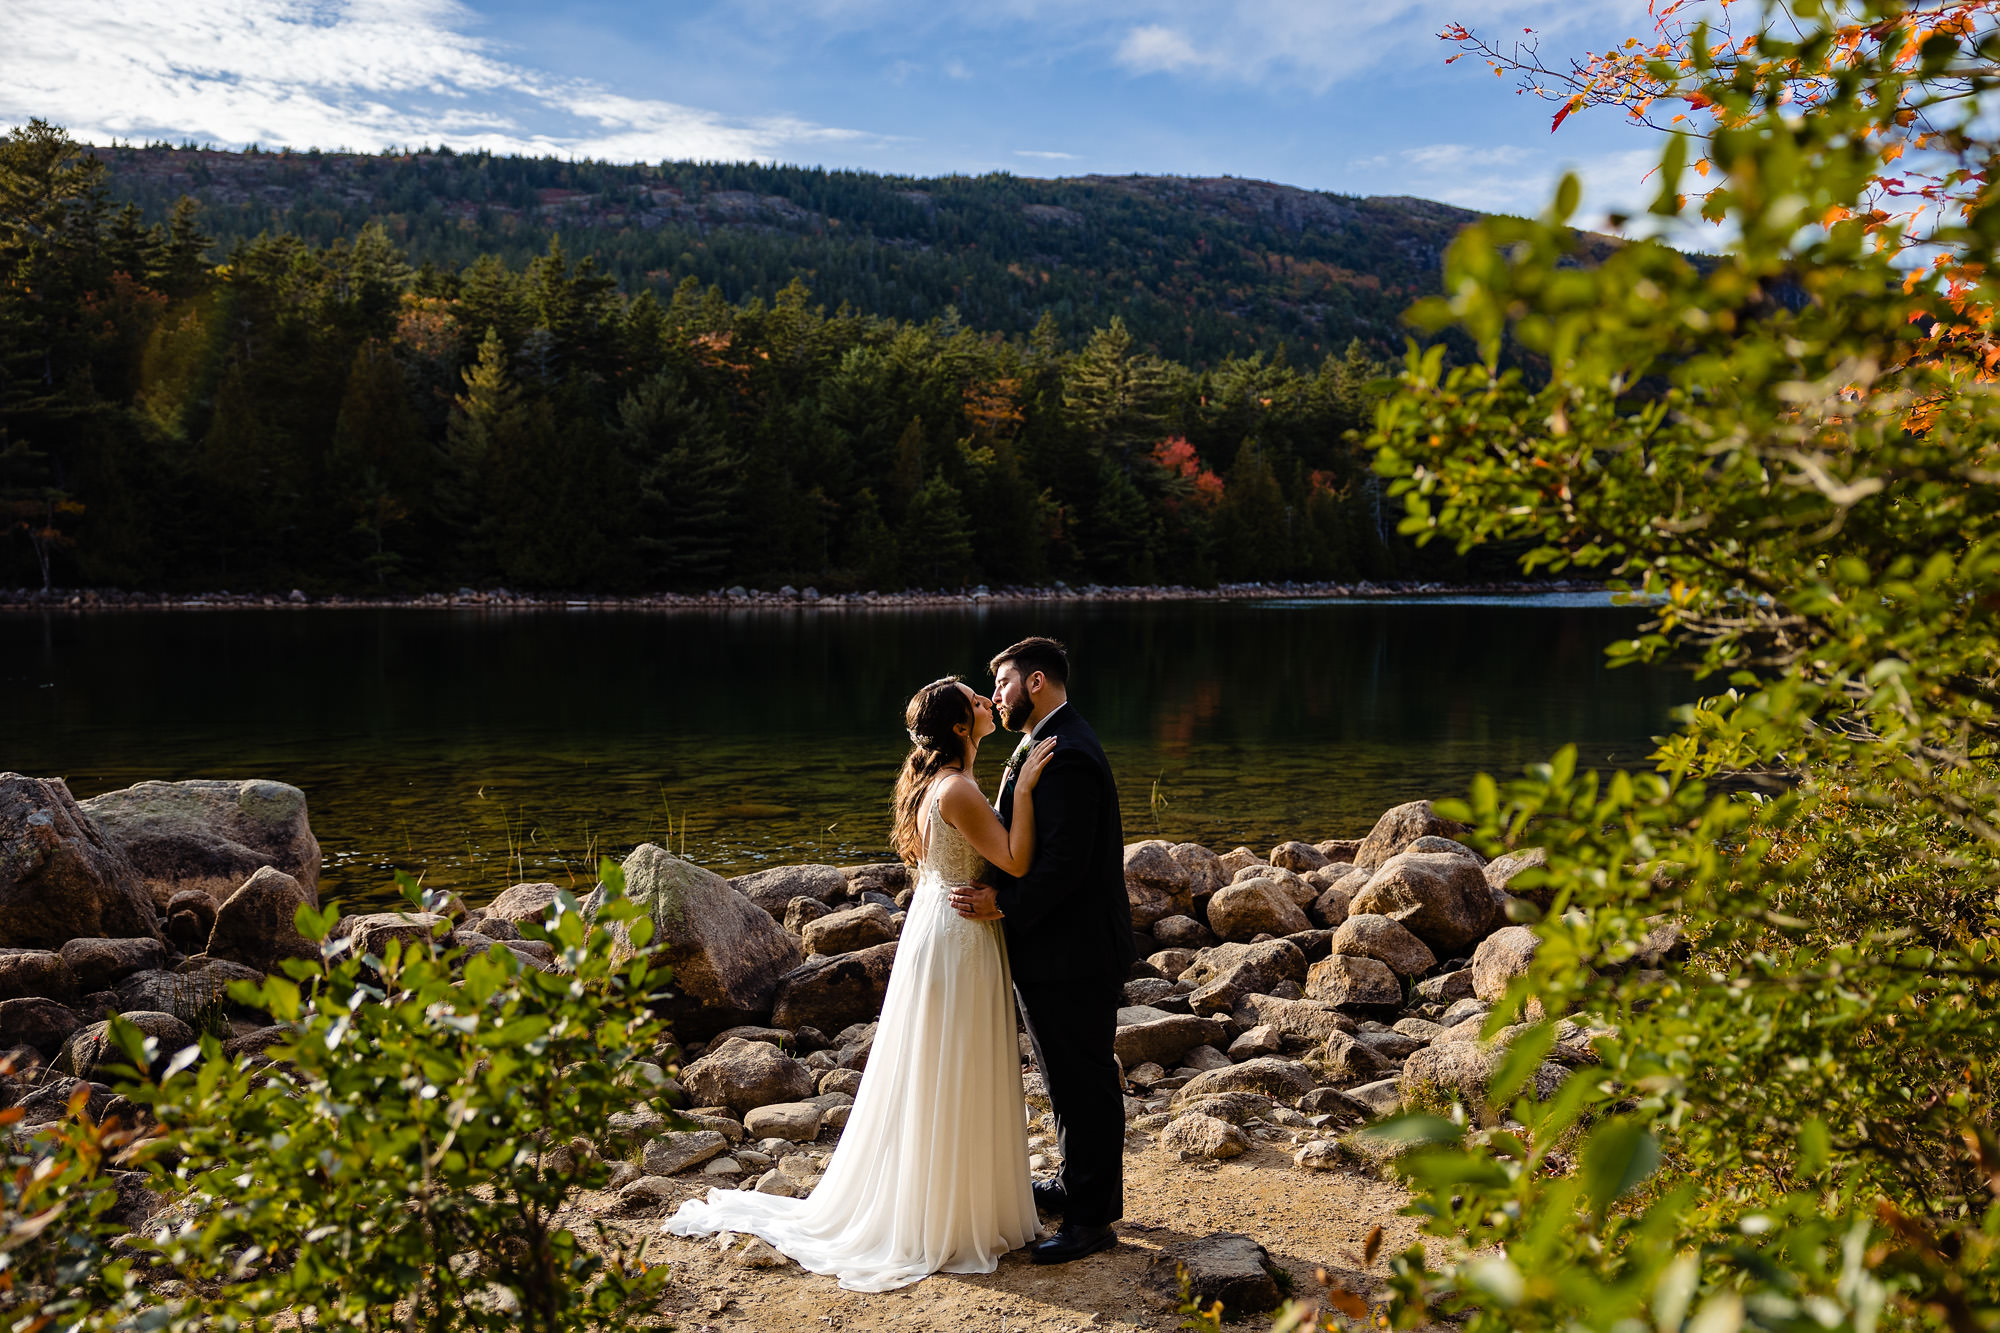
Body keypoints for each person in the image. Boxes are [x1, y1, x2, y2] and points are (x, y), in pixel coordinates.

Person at [662, 677, 1057, 1291]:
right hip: (957, 936)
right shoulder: (956, 788)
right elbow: (1014, 859)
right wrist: (1027, 787)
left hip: (944, 923)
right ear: (959, 727)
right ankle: (948, 1217)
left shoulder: (937, 784)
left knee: (945, 1062)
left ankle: (960, 1203)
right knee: (954, 1062)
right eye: (977, 701)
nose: (988, 703)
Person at [949, 636, 1134, 1265]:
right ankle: (1079, 1185)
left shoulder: (1070, 753)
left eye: (1000, 685)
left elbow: (1065, 866)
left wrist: (1003, 905)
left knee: (1083, 1079)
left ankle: (1090, 1221)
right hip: (1056, 945)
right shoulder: (1045, 743)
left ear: (1034, 683)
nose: (994, 698)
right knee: (1064, 1074)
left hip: (1075, 949)